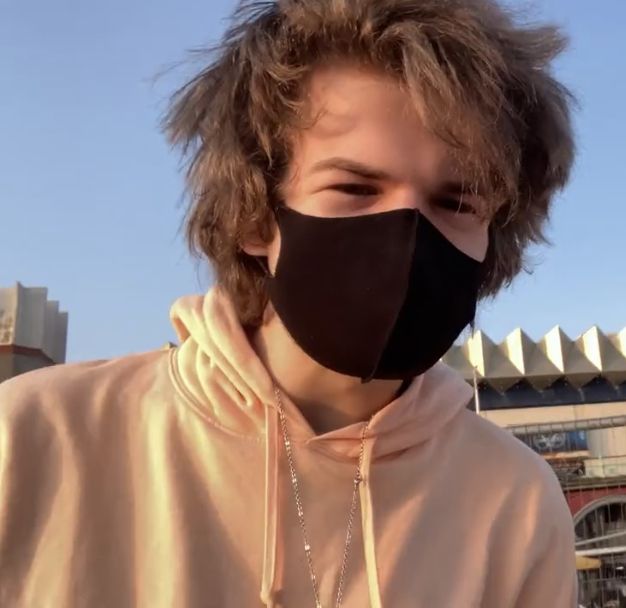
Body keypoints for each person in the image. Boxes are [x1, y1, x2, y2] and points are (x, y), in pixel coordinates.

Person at [0, 0, 578, 606]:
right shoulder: (36, 441)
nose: (407, 236)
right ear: (255, 215)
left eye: (457, 202)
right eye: (354, 187)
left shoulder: (516, 501)